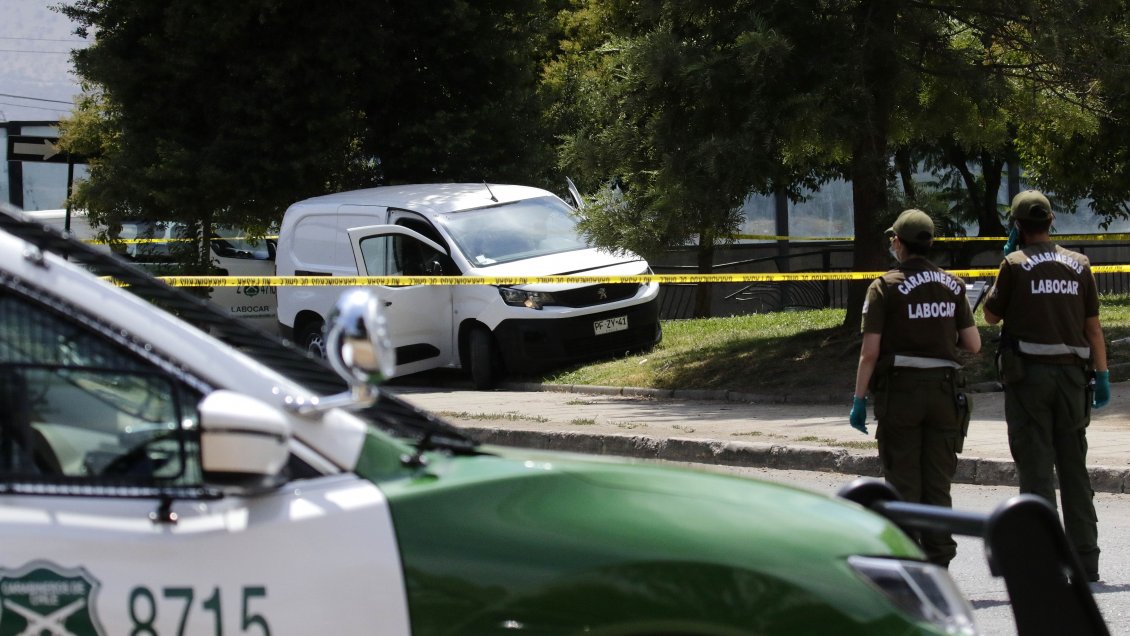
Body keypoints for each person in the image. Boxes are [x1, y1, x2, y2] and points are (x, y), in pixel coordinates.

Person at [982, 189, 1110, 582]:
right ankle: (1085, 559)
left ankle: (1045, 560)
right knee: (1074, 469)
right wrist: (1102, 375)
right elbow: (1093, 329)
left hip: (1028, 381)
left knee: (1036, 469)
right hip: (1073, 380)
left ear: (1017, 226)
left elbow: (989, 316)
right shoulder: (1079, 265)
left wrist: (1004, 259)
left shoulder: (1014, 264)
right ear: (1051, 221)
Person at [849, 208, 981, 567]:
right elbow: (973, 344)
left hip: (902, 394)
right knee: (937, 483)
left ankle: (908, 562)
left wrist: (859, 399)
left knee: (903, 482)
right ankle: (939, 559)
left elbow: (869, 352)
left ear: (898, 243)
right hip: (945, 394)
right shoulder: (953, 284)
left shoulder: (883, 287)